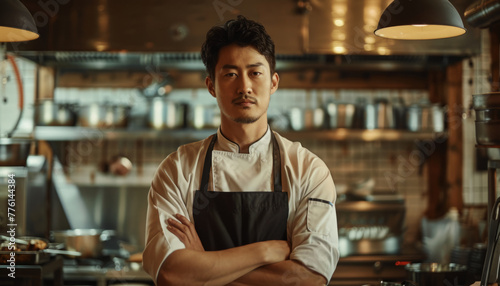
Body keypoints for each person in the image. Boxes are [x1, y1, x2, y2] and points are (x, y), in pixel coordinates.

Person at [143, 15, 339, 286]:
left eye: (255, 73)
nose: (244, 87)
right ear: (211, 85)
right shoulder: (177, 169)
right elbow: (172, 274)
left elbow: (309, 279)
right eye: (230, 74)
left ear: (273, 83)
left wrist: (204, 262)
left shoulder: (308, 170)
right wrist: (264, 252)